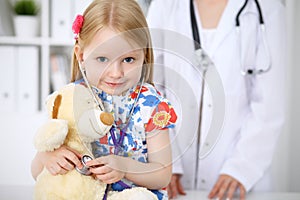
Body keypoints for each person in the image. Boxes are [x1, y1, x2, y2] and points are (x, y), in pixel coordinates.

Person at [31, 0, 177, 199]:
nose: (116, 73)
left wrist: (125, 167)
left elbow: (162, 175)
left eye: (128, 59)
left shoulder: (152, 106)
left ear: (144, 56)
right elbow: (36, 171)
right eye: (102, 59)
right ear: (81, 56)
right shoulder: (70, 99)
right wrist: (47, 158)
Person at [147, 0, 286, 199]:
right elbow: (153, 90)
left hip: (242, 177)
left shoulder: (267, 8)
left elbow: (269, 106)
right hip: (173, 175)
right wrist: (167, 161)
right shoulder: (165, 6)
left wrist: (241, 168)